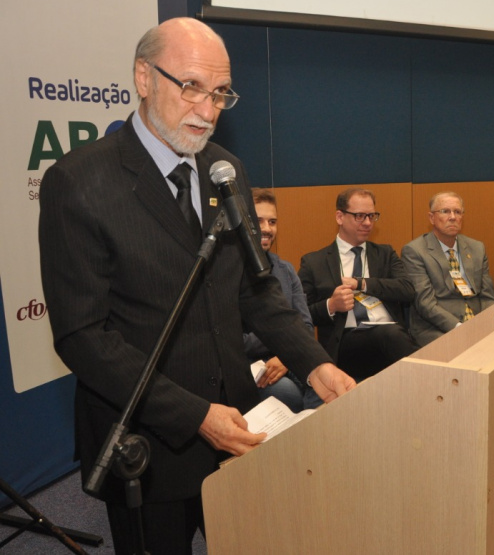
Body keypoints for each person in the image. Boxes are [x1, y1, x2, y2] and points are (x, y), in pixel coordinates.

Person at [38, 18, 355, 555]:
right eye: (190, 87)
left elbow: (255, 292)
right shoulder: (79, 182)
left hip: (238, 424)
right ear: (143, 77)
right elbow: (83, 337)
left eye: (220, 94)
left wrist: (314, 363)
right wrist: (195, 416)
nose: (207, 112)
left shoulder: (225, 169)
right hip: (147, 441)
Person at [298, 188, 418, 381]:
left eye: (372, 216)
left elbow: (407, 290)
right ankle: (428, 381)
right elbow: (302, 314)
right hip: (346, 341)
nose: (368, 223)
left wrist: (362, 283)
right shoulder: (314, 262)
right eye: (360, 216)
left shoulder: (385, 254)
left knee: (391, 334)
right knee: (391, 335)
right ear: (339, 217)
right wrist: (331, 305)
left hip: (391, 335)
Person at [244, 188, 324, 412]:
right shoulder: (227, 272)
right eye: (258, 221)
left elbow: (306, 327)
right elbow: (234, 339)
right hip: (248, 367)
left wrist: (286, 356)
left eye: (272, 221)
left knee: (329, 386)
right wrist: (285, 342)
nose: (267, 229)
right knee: (286, 394)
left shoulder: (286, 270)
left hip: (290, 359)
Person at [401, 192, 494, 346]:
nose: (452, 217)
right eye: (445, 211)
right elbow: (425, 304)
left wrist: (487, 322)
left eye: (457, 212)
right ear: (431, 218)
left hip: (477, 321)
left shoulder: (477, 248)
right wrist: (460, 327)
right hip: (435, 326)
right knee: (464, 347)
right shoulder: (415, 251)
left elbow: (488, 297)